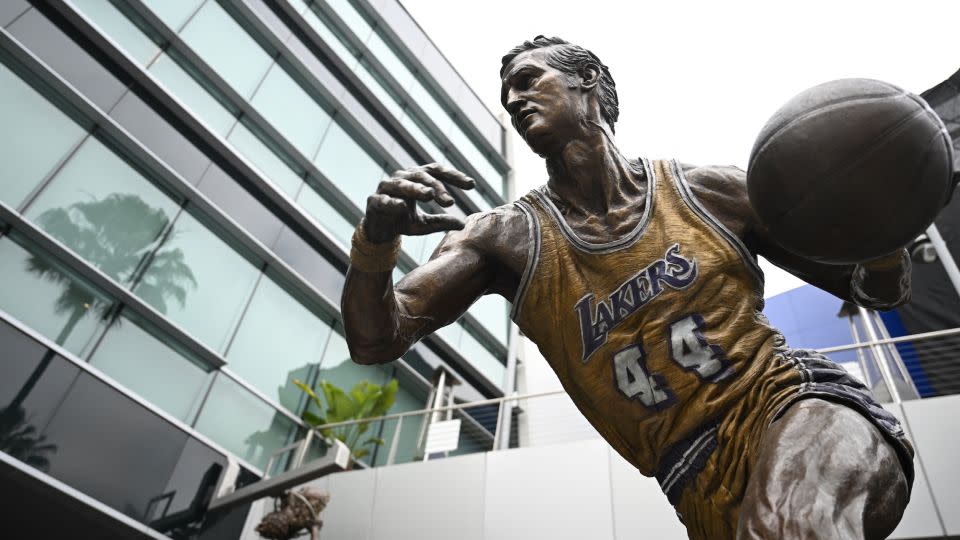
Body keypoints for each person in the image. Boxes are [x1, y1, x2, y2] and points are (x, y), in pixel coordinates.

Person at [341, 36, 914, 539]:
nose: (514, 102)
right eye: (507, 95)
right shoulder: (504, 238)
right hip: (694, 483)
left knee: (786, 525)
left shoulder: (707, 191)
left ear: (587, 79)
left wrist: (886, 236)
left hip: (793, 407)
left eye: (527, 80)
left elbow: (873, 291)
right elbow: (376, 340)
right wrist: (375, 241)